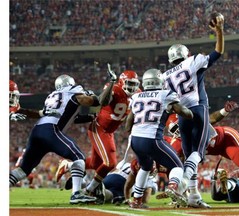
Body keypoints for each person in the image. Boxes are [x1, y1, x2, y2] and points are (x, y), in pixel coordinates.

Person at [9, 68, 117, 204]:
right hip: (51, 130)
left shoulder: (52, 97)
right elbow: (101, 101)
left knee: (23, 170)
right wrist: (110, 83)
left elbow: (70, 117)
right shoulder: (75, 93)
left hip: (37, 130)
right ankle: (76, 194)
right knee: (78, 157)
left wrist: (91, 117)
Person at [162, 13, 225, 208]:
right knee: (197, 153)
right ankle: (179, 185)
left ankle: (193, 196)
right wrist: (220, 32)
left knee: (190, 156)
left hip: (181, 115)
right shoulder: (192, 61)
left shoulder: (164, 76)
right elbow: (218, 53)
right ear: (185, 54)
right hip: (197, 109)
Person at [165, 103, 239, 203]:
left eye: (179, 126)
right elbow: (177, 166)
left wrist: (224, 110)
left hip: (227, 138)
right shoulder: (177, 143)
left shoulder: (196, 123)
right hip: (220, 149)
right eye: (174, 129)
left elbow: (212, 118)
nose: (179, 130)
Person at [55, 68, 141, 196]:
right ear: (122, 82)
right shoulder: (114, 88)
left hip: (110, 131)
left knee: (95, 164)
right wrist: (111, 82)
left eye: (134, 84)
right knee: (110, 163)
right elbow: (102, 101)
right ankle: (89, 190)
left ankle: (68, 165)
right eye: (129, 83)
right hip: (100, 128)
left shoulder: (138, 94)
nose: (132, 87)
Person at [125, 68, 193, 208]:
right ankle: (173, 187)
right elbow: (183, 112)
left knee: (145, 167)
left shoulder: (136, 97)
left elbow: (128, 124)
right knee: (177, 166)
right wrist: (191, 113)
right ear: (160, 81)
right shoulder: (166, 94)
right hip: (152, 139)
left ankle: (136, 200)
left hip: (135, 140)